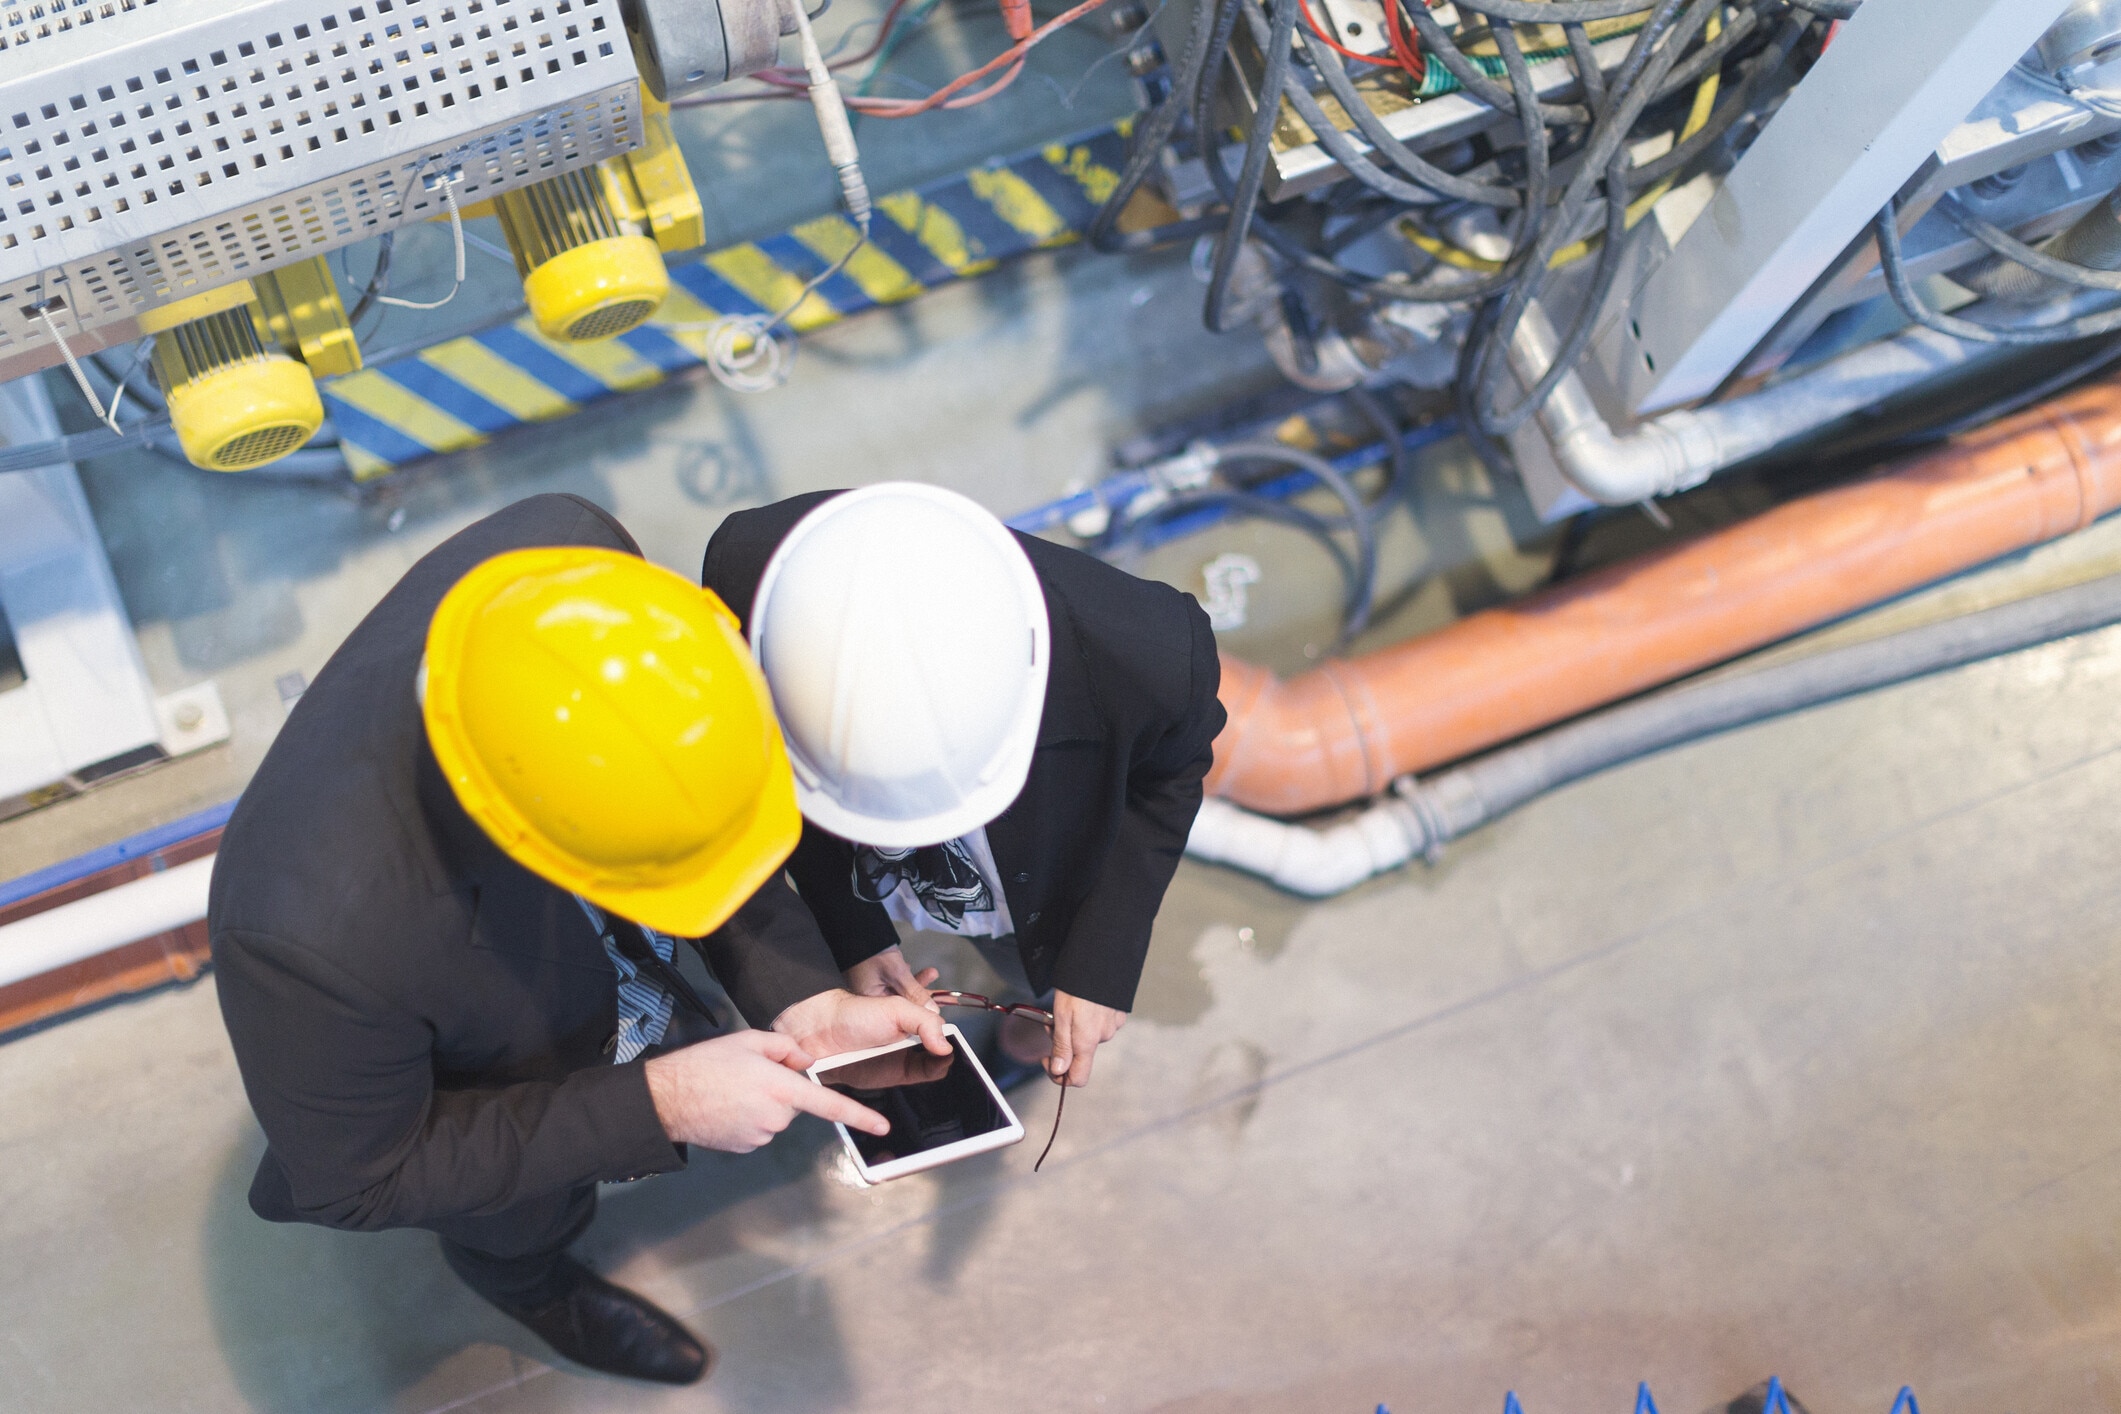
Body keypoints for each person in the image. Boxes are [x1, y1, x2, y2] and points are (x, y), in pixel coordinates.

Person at [209, 494, 946, 1387]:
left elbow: (686, 806)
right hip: (492, 1075)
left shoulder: (576, 564)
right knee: (519, 1217)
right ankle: (526, 1284)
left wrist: (804, 999)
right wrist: (659, 1104)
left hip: (569, 968)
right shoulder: (309, 936)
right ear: (524, 833)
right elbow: (361, 1176)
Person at [701, 483, 1226, 1090]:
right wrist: (855, 934)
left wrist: (1100, 961)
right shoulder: (754, 578)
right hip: (871, 883)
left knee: (1041, 975)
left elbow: (1169, 780)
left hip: (1028, 891)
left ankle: (1036, 1020)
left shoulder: (1152, 652)